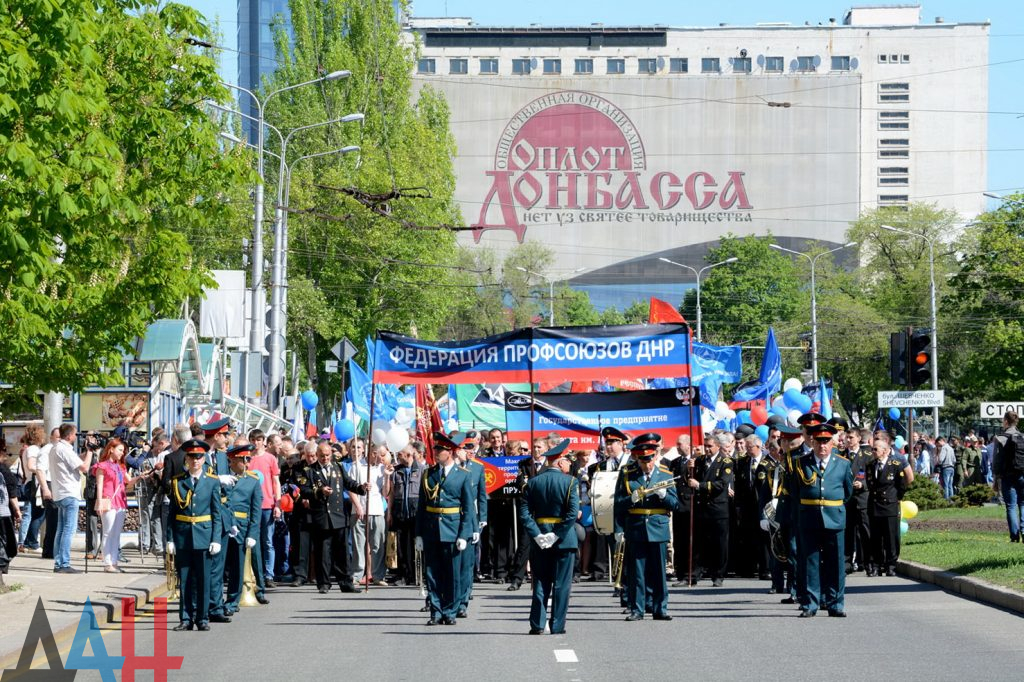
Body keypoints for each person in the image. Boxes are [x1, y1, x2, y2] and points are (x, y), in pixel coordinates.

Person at [615, 433, 679, 621]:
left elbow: (675, 504)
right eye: (643, 460)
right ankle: (637, 609)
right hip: (635, 526)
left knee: (659, 572)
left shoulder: (666, 474)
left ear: (655, 456)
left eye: (649, 459)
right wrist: (630, 500)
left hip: (658, 527)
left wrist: (663, 496)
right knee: (637, 573)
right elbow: (618, 503)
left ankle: (660, 608)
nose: (646, 464)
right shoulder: (627, 474)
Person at [415, 432, 475, 626]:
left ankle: (450, 610)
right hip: (432, 530)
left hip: (452, 529)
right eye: (436, 449)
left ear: (449, 452)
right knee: (432, 573)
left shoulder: (463, 476)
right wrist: (418, 534)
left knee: (452, 574)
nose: (436, 452)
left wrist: (464, 534)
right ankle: (436, 611)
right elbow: (422, 507)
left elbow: (467, 508)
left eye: (439, 450)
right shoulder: (428, 474)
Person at [519, 438, 579, 634]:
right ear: (560, 460)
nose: (569, 463)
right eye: (567, 460)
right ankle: (557, 625)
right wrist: (557, 534)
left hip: (540, 537)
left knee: (541, 582)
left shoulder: (534, 482)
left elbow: (524, 513)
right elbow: (572, 513)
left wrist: (537, 534)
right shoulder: (570, 482)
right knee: (562, 585)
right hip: (564, 539)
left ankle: (537, 624)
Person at [794, 422, 853, 618]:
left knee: (835, 563)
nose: (822, 445)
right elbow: (794, 491)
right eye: (819, 441)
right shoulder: (801, 463)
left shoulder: (843, 464)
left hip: (834, 519)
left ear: (832, 442)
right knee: (810, 562)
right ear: (813, 442)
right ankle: (811, 603)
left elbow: (847, 492)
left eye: (826, 441)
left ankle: (835, 603)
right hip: (809, 519)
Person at [165, 439, 223, 631]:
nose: (195, 460)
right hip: (183, 537)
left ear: (204, 458)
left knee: (204, 579)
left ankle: (203, 618)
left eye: (198, 457)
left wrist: (216, 539)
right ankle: (186, 618)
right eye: (191, 457)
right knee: (185, 579)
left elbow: (216, 513)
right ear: (186, 459)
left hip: (204, 537)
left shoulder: (212, 482)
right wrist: (170, 539)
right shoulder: (177, 481)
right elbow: (172, 513)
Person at [300, 441, 368, 594]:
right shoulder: (309, 471)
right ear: (317, 455)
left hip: (339, 516)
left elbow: (349, 483)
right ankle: (323, 583)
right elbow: (304, 491)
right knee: (323, 552)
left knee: (343, 552)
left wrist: (361, 488)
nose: (325, 458)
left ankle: (346, 582)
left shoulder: (338, 467)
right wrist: (319, 492)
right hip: (322, 517)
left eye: (327, 455)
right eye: (322, 456)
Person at [223, 441, 269, 614]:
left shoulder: (253, 481)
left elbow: (256, 511)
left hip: (241, 529)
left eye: (247, 460)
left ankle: (232, 602)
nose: (247, 464)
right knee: (218, 568)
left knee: (237, 567)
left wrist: (252, 534)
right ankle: (214, 602)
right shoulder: (224, 479)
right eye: (243, 460)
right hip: (223, 527)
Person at [94, 437, 153, 572]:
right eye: (120, 450)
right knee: (107, 533)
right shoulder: (101, 466)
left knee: (116, 533)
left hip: (120, 501)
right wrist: (100, 503)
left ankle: (114, 561)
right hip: (108, 501)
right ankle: (107, 562)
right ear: (111, 449)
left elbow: (128, 482)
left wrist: (139, 477)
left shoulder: (120, 466)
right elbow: (100, 485)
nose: (122, 453)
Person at [691, 433, 734, 586]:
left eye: (710, 446)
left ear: (717, 446)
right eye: (706, 446)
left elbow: (721, 484)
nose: (707, 449)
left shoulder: (726, 462)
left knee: (720, 543)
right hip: (702, 508)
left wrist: (700, 486)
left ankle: (718, 575)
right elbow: (691, 478)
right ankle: (696, 573)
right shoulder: (700, 460)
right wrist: (690, 467)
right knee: (700, 543)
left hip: (718, 508)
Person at [49, 424, 92, 574]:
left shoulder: (55, 448)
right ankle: (63, 563)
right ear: (68, 436)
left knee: (61, 529)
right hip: (68, 493)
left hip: (60, 493)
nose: (76, 437)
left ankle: (59, 562)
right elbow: (85, 468)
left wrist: (86, 452)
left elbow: (74, 462)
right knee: (68, 530)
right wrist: (91, 452)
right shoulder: (64, 449)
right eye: (74, 434)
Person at [866, 430, 908, 576]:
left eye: (875, 449)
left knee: (891, 537)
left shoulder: (895, 464)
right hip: (875, 505)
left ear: (884, 451)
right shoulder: (870, 465)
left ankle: (891, 565)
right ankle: (877, 565)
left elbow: (901, 485)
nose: (873, 451)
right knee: (876, 537)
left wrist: (896, 498)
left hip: (890, 505)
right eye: (872, 449)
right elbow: (870, 484)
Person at [508, 437, 549, 591]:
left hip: (545, 510)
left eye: (539, 447)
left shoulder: (549, 464)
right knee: (524, 544)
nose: (536, 450)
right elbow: (521, 484)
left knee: (545, 544)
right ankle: (517, 578)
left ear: (545, 448)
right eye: (535, 447)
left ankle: (544, 576)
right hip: (529, 509)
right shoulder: (524, 464)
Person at [351, 444, 391, 587]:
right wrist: (358, 506)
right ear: (372, 453)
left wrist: (386, 478)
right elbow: (351, 488)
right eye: (379, 455)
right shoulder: (356, 466)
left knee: (378, 544)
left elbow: (385, 493)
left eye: (383, 455)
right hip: (360, 511)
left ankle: (378, 575)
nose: (381, 458)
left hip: (377, 510)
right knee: (359, 544)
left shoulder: (382, 468)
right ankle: (357, 575)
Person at [457, 432, 488, 616]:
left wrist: (482, 517)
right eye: (466, 448)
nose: (469, 451)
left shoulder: (477, 468)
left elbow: (481, 495)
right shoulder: (454, 467)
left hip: (472, 516)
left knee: (469, 558)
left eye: (471, 447)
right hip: (454, 515)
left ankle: (466, 592)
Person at [246, 429, 282, 586]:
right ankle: (254, 572)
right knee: (252, 540)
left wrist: (278, 504)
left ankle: (269, 574)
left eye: (259, 440)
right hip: (250, 505)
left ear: (263, 441)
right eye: (253, 440)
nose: (256, 443)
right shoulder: (247, 459)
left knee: (267, 541)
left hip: (267, 504)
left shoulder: (270, 458)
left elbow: (276, 482)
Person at [837, 420, 871, 574]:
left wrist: (862, 484)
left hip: (862, 497)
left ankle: (866, 560)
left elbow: (872, 477)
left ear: (858, 438)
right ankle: (847, 562)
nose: (848, 440)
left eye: (851, 438)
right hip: (846, 499)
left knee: (864, 529)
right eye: (847, 438)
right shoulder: (841, 456)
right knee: (847, 531)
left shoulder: (867, 456)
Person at [388, 443, 423, 586]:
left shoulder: (422, 470)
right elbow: (390, 494)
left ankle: (417, 575)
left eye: (400, 454)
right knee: (401, 546)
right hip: (400, 511)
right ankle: (403, 574)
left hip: (416, 512)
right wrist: (389, 512)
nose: (397, 457)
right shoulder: (396, 471)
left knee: (416, 545)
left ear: (408, 455)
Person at [667, 434, 697, 587]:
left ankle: (690, 573)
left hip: (690, 505)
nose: (677, 447)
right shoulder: (675, 462)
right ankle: (681, 572)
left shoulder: (696, 461)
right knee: (679, 541)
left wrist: (694, 467)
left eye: (680, 444)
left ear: (688, 445)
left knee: (689, 541)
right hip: (678, 505)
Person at [992, 410, 1024, 542]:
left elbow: (996, 461)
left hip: (1007, 476)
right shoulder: (1022, 437)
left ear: (1006, 421)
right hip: (1022, 474)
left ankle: (1014, 537)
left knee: (1010, 505)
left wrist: (995, 479)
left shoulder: (1000, 438)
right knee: (1023, 503)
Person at [137, 433, 168, 557]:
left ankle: (158, 545)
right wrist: (148, 476)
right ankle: (145, 544)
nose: (157, 449)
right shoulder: (145, 456)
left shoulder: (165, 455)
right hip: (147, 489)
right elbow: (138, 470)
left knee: (156, 519)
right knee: (145, 516)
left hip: (159, 491)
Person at [16, 425, 45, 553]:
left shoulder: (29, 449)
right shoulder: (33, 449)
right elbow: (31, 465)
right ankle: (29, 542)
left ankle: (27, 541)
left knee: (34, 514)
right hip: (34, 483)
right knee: (36, 514)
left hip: (30, 483)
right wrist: (43, 470)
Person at [0, 452, 21, 577]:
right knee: (6, 541)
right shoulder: (5, 472)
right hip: (3, 513)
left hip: (4, 511)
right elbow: (12, 494)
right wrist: (17, 510)